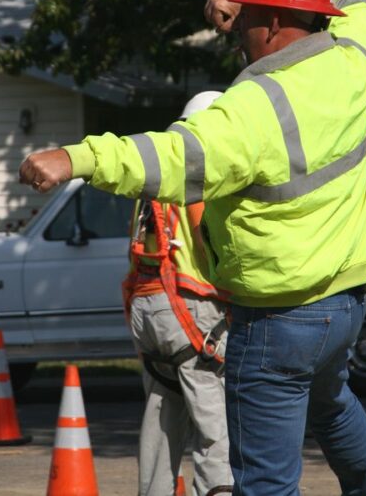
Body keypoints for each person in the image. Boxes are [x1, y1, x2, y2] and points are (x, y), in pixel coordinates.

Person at [19, 0, 366, 496]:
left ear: (270, 22)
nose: (235, 26)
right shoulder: (355, 57)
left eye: (245, 14)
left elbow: (170, 158)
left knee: (264, 482)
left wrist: (75, 158)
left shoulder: (256, 107)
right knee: (333, 409)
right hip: (346, 304)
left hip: (278, 322)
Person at [122, 90, 233, 496]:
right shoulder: (199, 172)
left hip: (148, 309)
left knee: (162, 413)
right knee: (212, 419)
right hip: (188, 310)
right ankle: (219, 491)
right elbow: (212, 246)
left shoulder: (155, 177)